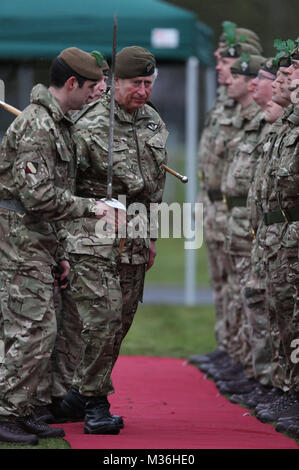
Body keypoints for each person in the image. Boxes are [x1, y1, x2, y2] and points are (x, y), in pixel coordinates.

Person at [51, 46, 168, 435]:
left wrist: (149, 236)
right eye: (136, 83)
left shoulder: (152, 121)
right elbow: (62, 187)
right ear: (116, 81)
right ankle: (96, 405)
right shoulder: (87, 123)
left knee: (120, 325)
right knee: (103, 320)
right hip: (92, 239)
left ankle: (77, 396)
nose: (143, 91)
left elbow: (154, 188)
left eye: (149, 83)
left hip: (134, 237)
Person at [0, 47, 111, 445]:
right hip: (17, 237)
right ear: (70, 84)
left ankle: (22, 408)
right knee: (31, 328)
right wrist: (91, 208)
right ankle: (7, 412)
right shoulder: (38, 126)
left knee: (40, 329)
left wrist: (59, 255)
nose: (94, 93)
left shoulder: (56, 123)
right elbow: (38, 196)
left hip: (37, 238)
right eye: (89, 87)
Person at [189, 21, 263, 371]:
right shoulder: (225, 100)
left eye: (223, 60)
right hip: (216, 203)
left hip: (235, 208)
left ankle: (243, 357)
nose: (218, 66)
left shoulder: (251, 103)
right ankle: (229, 347)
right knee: (222, 281)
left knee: (241, 284)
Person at [254, 42, 299, 428]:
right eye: (283, 75)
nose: (283, 81)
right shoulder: (284, 125)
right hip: (277, 235)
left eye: (291, 73)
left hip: (291, 234)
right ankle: (286, 389)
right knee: (281, 316)